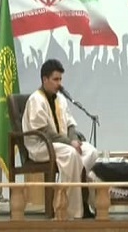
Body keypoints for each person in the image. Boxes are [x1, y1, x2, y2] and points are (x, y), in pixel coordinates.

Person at [22, 59, 98, 219]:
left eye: (60, 79)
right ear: (45, 79)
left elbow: (70, 124)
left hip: (62, 144)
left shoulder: (60, 99)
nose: (59, 83)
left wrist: (74, 140)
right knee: (71, 154)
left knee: (91, 151)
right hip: (42, 146)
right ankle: (70, 210)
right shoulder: (36, 99)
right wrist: (70, 143)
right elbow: (44, 131)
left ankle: (84, 201)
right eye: (55, 79)